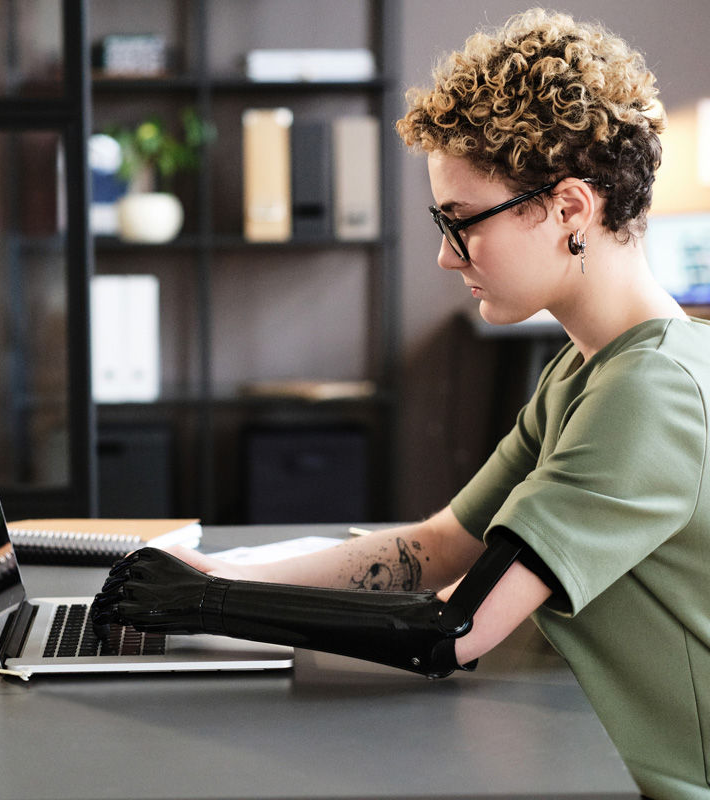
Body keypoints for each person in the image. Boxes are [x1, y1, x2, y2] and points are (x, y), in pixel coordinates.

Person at [92, 9, 710, 799]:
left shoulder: (649, 393)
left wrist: (205, 603)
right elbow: (433, 547)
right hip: (576, 751)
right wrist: (215, 569)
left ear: (569, 211)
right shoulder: (584, 373)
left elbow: (451, 630)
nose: (445, 256)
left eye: (462, 224)